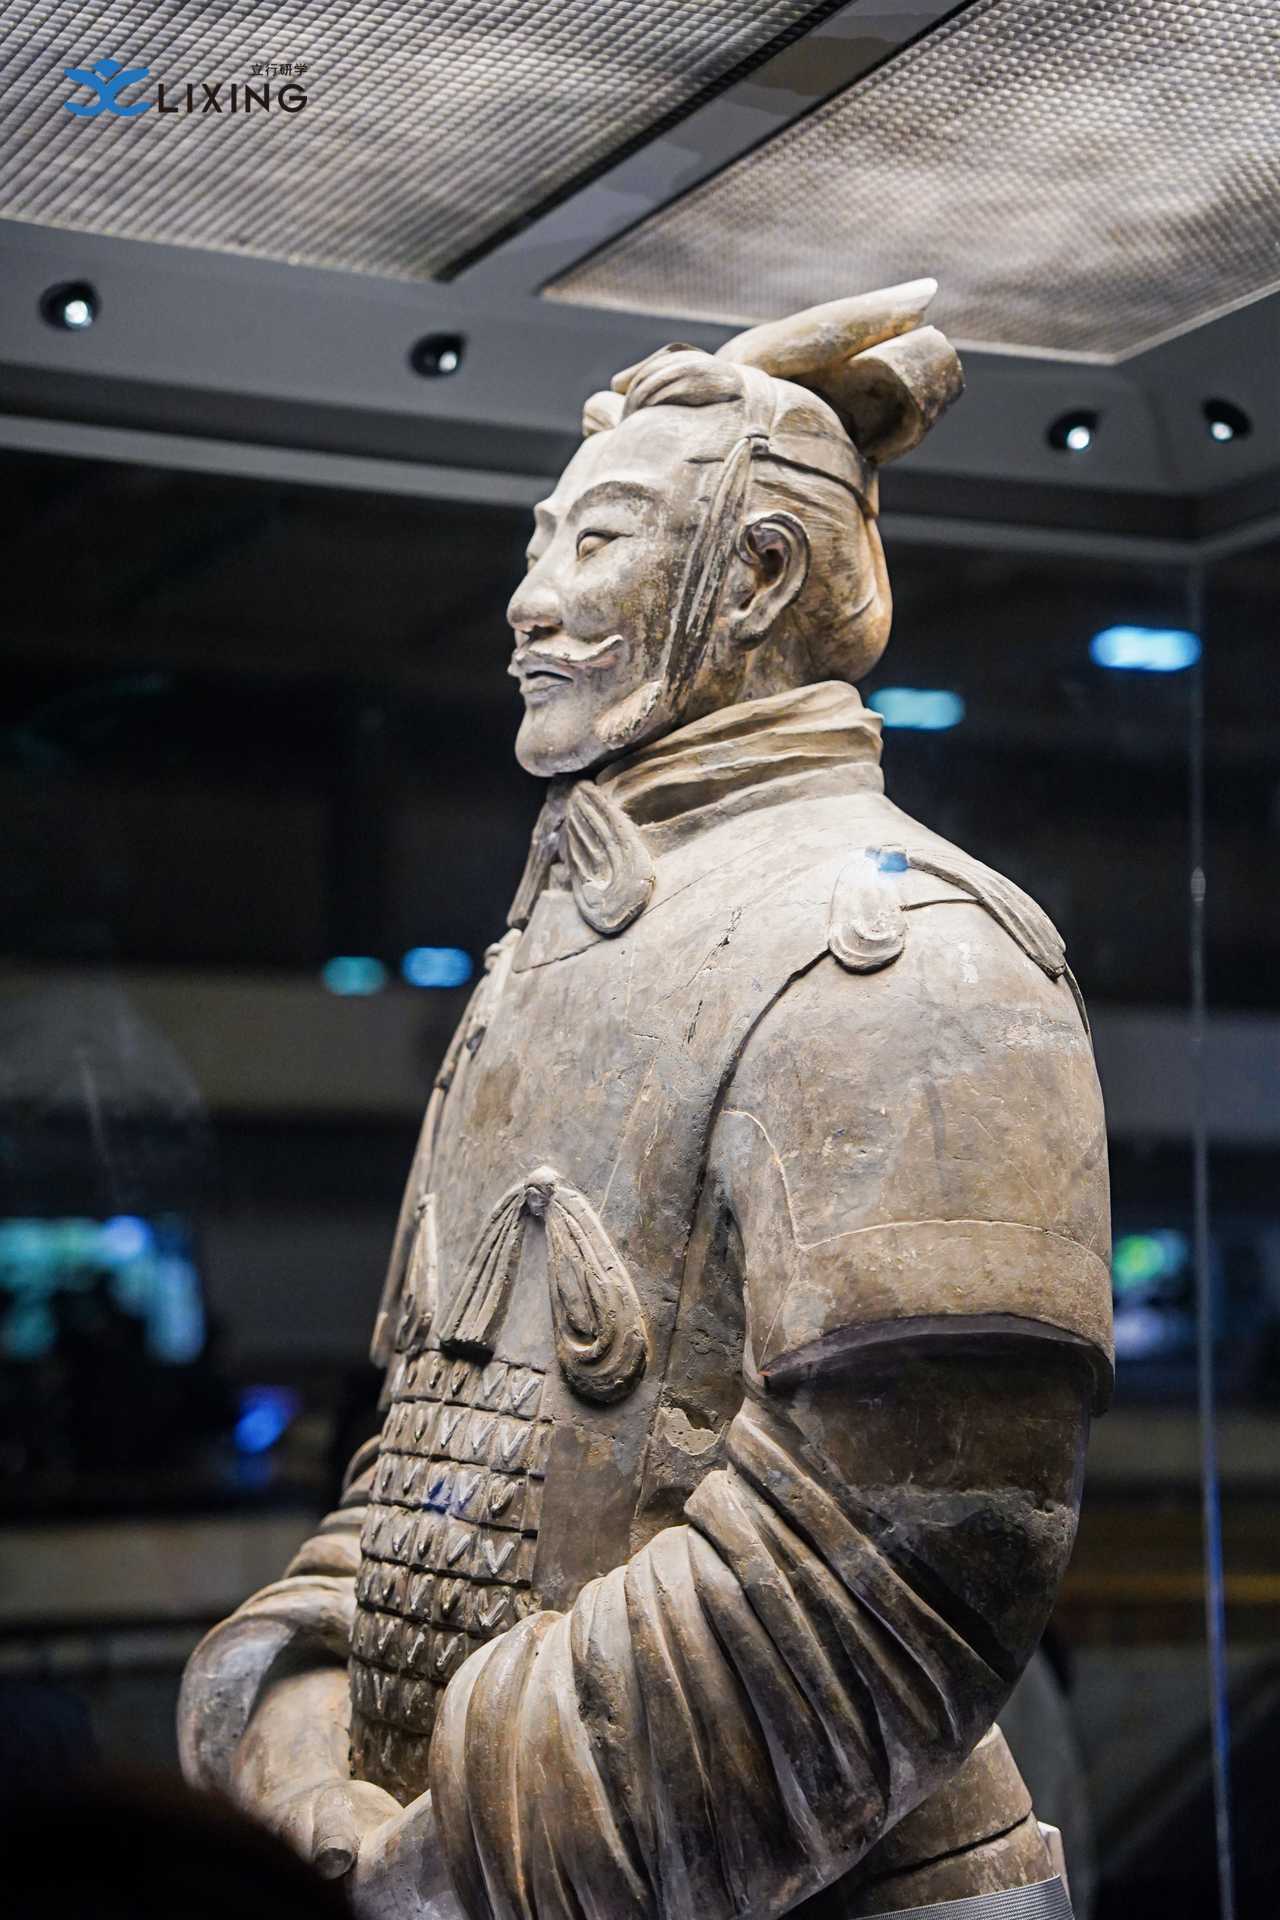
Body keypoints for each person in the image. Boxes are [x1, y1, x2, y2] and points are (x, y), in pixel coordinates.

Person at [180, 281, 1111, 1919]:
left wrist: (452, 1856)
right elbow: (437, 1460)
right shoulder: (557, 952)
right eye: (541, 542)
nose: (528, 601)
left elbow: (891, 1581)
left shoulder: (907, 953)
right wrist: (304, 1719)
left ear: (758, 578)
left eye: (596, 541)